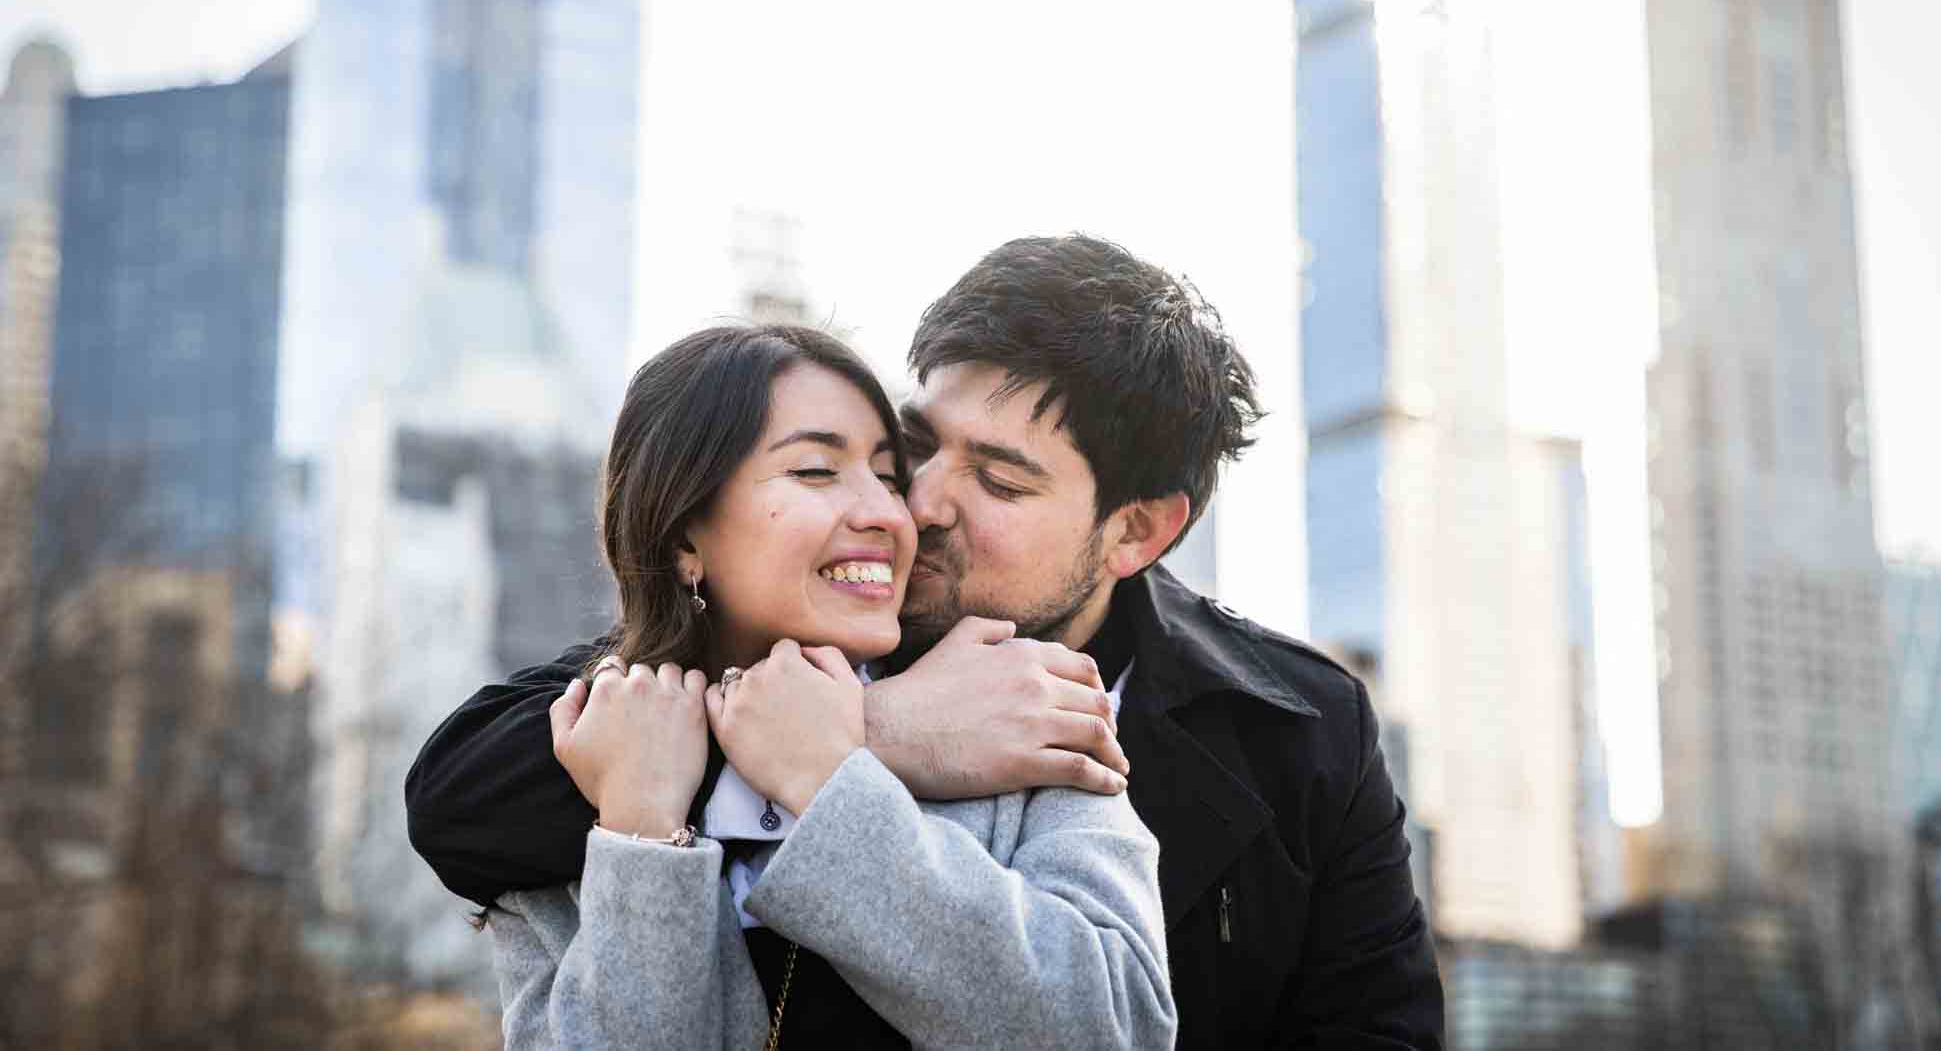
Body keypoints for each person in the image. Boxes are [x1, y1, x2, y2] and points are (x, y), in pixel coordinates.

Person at [408, 235, 1444, 1049]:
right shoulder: (778, 631)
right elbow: (460, 796)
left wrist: (835, 753)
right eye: (917, 445)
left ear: (1136, 529)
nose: (918, 503)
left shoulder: (1298, 730)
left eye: (997, 479)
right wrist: (875, 728)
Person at [479, 323, 1176, 1048]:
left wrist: (834, 783)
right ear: (686, 536)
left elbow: (1115, 1027)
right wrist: (644, 833)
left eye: (887, 474)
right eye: (815, 471)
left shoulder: (1013, 716)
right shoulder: (580, 777)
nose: (889, 513)